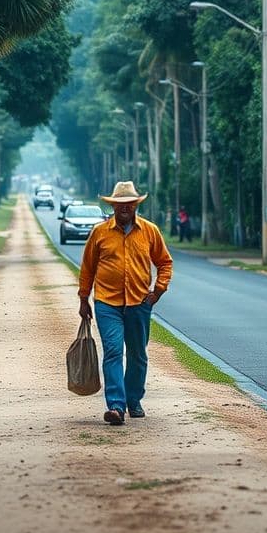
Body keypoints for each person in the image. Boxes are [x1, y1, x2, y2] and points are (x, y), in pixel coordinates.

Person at [78, 181, 173, 426]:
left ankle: (134, 400)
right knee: (112, 350)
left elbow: (164, 262)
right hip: (106, 303)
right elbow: (88, 268)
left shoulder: (150, 231)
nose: (125, 207)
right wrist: (83, 298)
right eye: (120, 204)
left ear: (135, 206)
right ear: (113, 206)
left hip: (139, 302)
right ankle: (117, 406)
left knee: (138, 354)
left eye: (129, 204)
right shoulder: (99, 232)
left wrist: (158, 291)